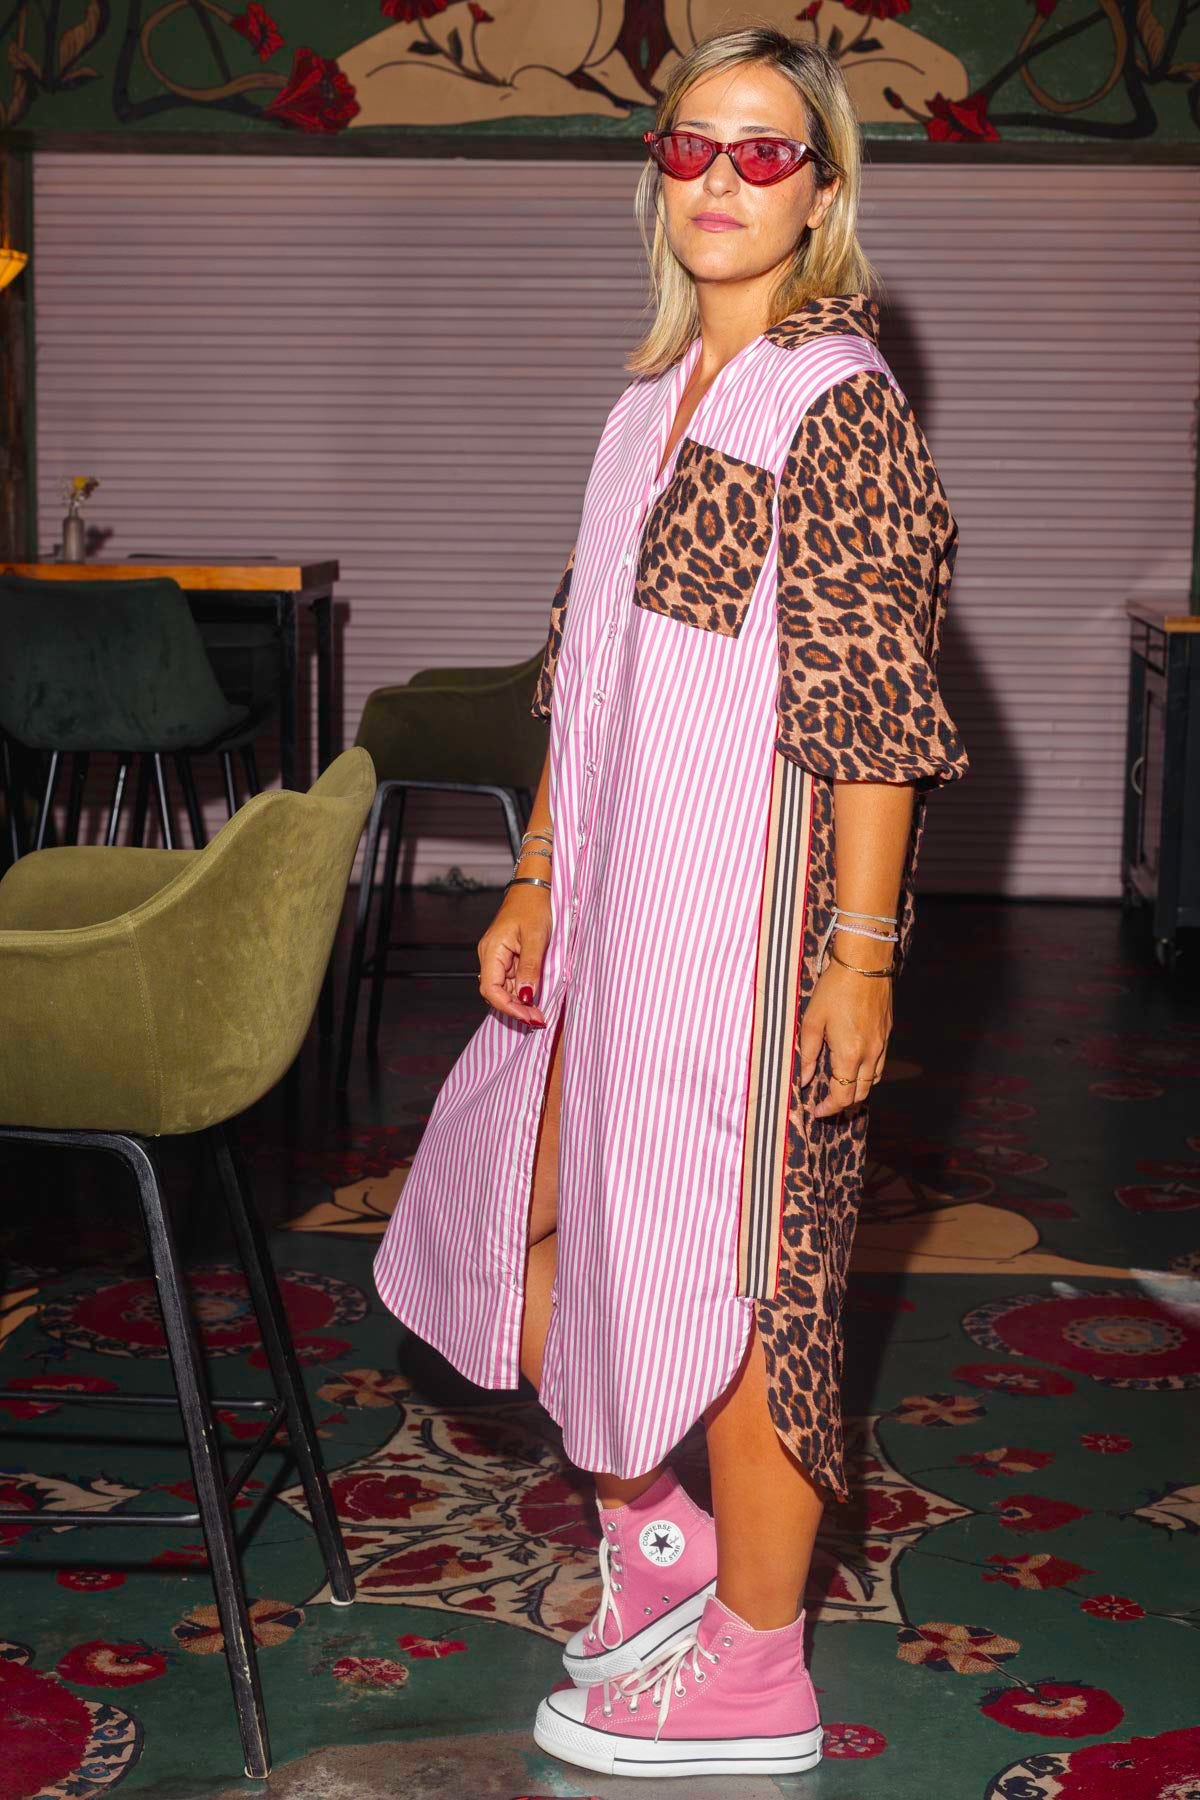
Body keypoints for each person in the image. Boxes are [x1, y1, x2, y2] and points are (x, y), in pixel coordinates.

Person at [373, 24, 969, 1782]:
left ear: (821, 192)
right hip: (612, 928)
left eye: (764, 151)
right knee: (510, 1222)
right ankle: (659, 1538)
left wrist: (861, 962)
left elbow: (872, 711)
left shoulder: (838, 401)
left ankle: (758, 1669)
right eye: (690, 143)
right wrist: (537, 873)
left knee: (753, 1300)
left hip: (757, 946)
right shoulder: (647, 405)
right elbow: (591, 675)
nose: (721, 177)